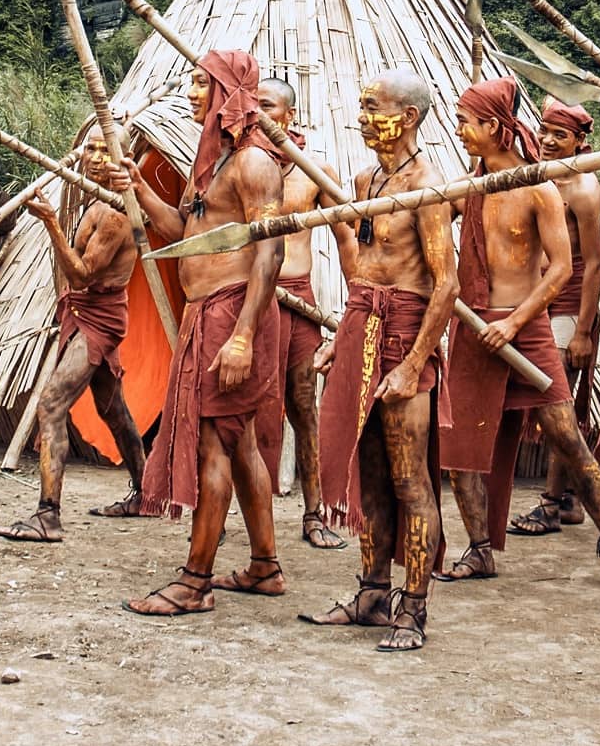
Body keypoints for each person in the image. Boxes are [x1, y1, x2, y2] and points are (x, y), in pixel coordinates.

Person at [436, 78, 600, 592]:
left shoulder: (539, 188)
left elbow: (560, 270)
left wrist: (513, 322)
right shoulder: (463, 189)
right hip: (471, 326)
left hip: (525, 325)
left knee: (565, 434)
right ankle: (479, 549)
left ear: (493, 126)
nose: (460, 130)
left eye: (468, 121)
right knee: (461, 446)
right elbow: (421, 223)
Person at [122, 49, 298, 615]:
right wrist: (139, 190)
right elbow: (185, 235)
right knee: (239, 438)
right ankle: (265, 567)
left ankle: (194, 582)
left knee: (215, 444)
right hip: (210, 311)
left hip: (233, 314)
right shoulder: (212, 163)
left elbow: (269, 252)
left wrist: (243, 335)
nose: (193, 92)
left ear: (229, 91)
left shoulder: (253, 163)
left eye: (203, 83)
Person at [298, 70, 456, 651]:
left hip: (404, 337)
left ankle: (413, 609)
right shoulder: (367, 179)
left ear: (408, 116)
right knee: (368, 475)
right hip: (362, 328)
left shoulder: (429, 187)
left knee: (409, 478)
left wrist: (414, 363)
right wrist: (340, 337)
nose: (363, 118)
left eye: (374, 108)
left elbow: (446, 286)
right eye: (362, 107)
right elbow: (364, 269)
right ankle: (372, 593)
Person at [0, 132, 146, 541]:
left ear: (123, 158)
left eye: (105, 151)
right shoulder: (96, 201)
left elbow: (82, 273)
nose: (95, 158)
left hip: (98, 318)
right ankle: (146, 494)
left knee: (51, 404)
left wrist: (49, 223)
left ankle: (48, 516)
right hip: (84, 312)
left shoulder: (116, 213)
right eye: (90, 149)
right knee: (113, 409)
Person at [509, 96, 600, 537]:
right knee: (552, 404)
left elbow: (594, 265)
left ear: (580, 141)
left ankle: (551, 504)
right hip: (539, 299)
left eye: (559, 135)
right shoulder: (536, 175)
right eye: (544, 131)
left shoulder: (583, 189)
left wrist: (584, 331)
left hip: (568, 304)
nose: (547, 141)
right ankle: (567, 500)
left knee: (557, 406)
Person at [254, 75, 342, 549]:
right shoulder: (243, 167)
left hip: (299, 298)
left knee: (304, 407)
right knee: (257, 408)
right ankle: (258, 516)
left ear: (289, 116)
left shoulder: (313, 172)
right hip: (256, 298)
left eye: (268, 105)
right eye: (254, 105)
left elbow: (350, 239)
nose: (259, 113)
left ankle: (316, 514)